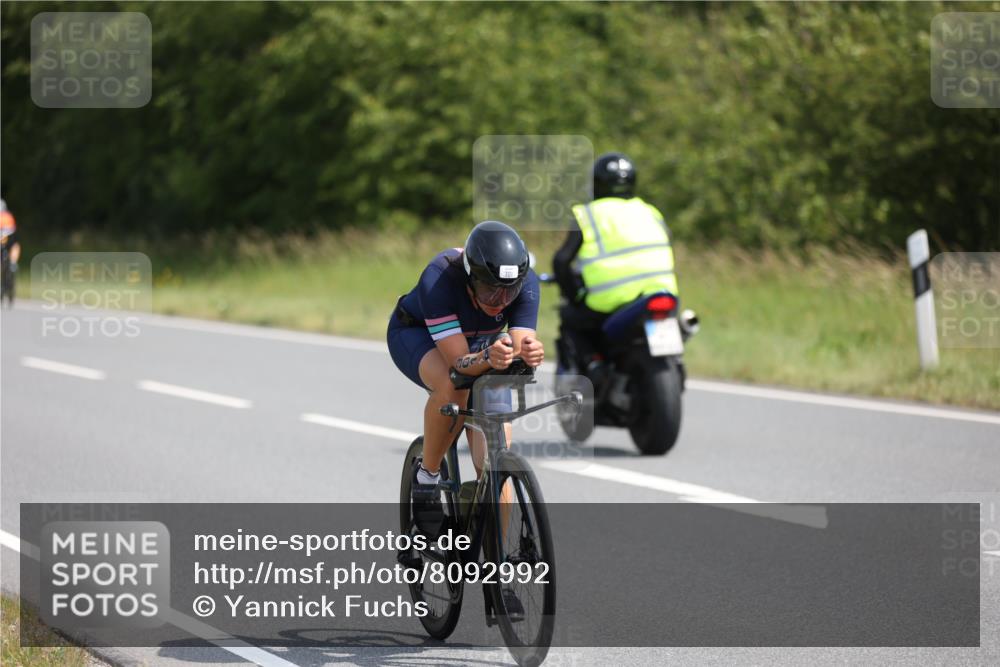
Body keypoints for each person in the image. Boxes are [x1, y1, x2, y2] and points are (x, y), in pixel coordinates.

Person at [387, 220, 544, 527]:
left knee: (495, 467)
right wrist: (489, 355)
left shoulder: (526, 282)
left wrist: (529, 353)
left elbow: (520, 344)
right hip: (419, 335)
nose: (499, 302)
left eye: (508, 294)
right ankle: (427, 477)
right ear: (471, 279)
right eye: (488, 292)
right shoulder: (440, 277)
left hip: (480, 344)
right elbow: (460, 363)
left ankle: (492, 563)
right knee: (453, 385)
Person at [551, 152, 678, 369]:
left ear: (596, 184)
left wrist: (574, 295)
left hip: (610, 301)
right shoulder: (650, 211)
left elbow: (562, 261)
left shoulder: (588, 214)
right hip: (662, 294)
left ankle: (592, 364)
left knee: (569, 318)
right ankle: (677, 362)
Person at [1, 199, 20, 306]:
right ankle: (13, 263)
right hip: (10, 240)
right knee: (15, 245)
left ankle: (12, 263)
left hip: (6, 240)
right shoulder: (8, 216)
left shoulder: (6, 217)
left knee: (14, 245)